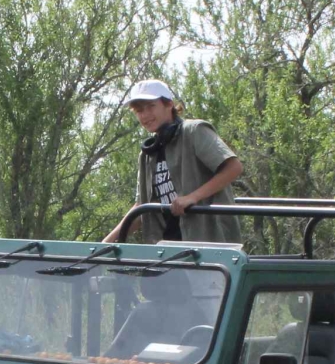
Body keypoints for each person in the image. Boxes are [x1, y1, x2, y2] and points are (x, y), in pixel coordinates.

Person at [103, 79, 244, 245]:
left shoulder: (194, 131)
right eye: (139, 110)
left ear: (168, 104)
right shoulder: (148, 154)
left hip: (209, 243)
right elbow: (142, 206)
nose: (145, 115)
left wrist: (193, 197)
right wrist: (104, 244)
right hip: (168, 248)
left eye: (151, 106)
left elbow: (233, 167)